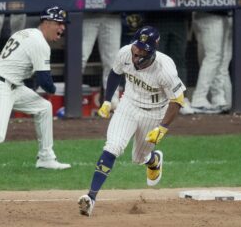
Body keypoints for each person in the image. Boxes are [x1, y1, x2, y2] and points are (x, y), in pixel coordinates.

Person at [77, 26, 185, 216]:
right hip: (128, 106)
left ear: (152, 50)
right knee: (113, 146)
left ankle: (153, 160)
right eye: (137, 46)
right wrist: (107, 100)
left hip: (154, 113)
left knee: (139, 158)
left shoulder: (165, 69)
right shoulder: (125, 53)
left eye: (143, 49)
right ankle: (91, 197)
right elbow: (115, 73)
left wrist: (163, 128)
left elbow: (178, 100)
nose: (137, 52)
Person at [0, 6, 71, 170]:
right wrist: (53, 89)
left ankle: (46, 158)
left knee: (44, 107)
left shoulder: (27, 32)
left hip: (11, 85)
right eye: (59, 23)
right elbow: (45, 82)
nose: (62, 27)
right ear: (46, 22)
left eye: (63, 24)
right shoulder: (39, 43)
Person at [125, 0, 205, 115]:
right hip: (154, 20)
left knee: (178, 60)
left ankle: (180, 100)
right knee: (152, 61)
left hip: (177, 18)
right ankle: (151, 101)